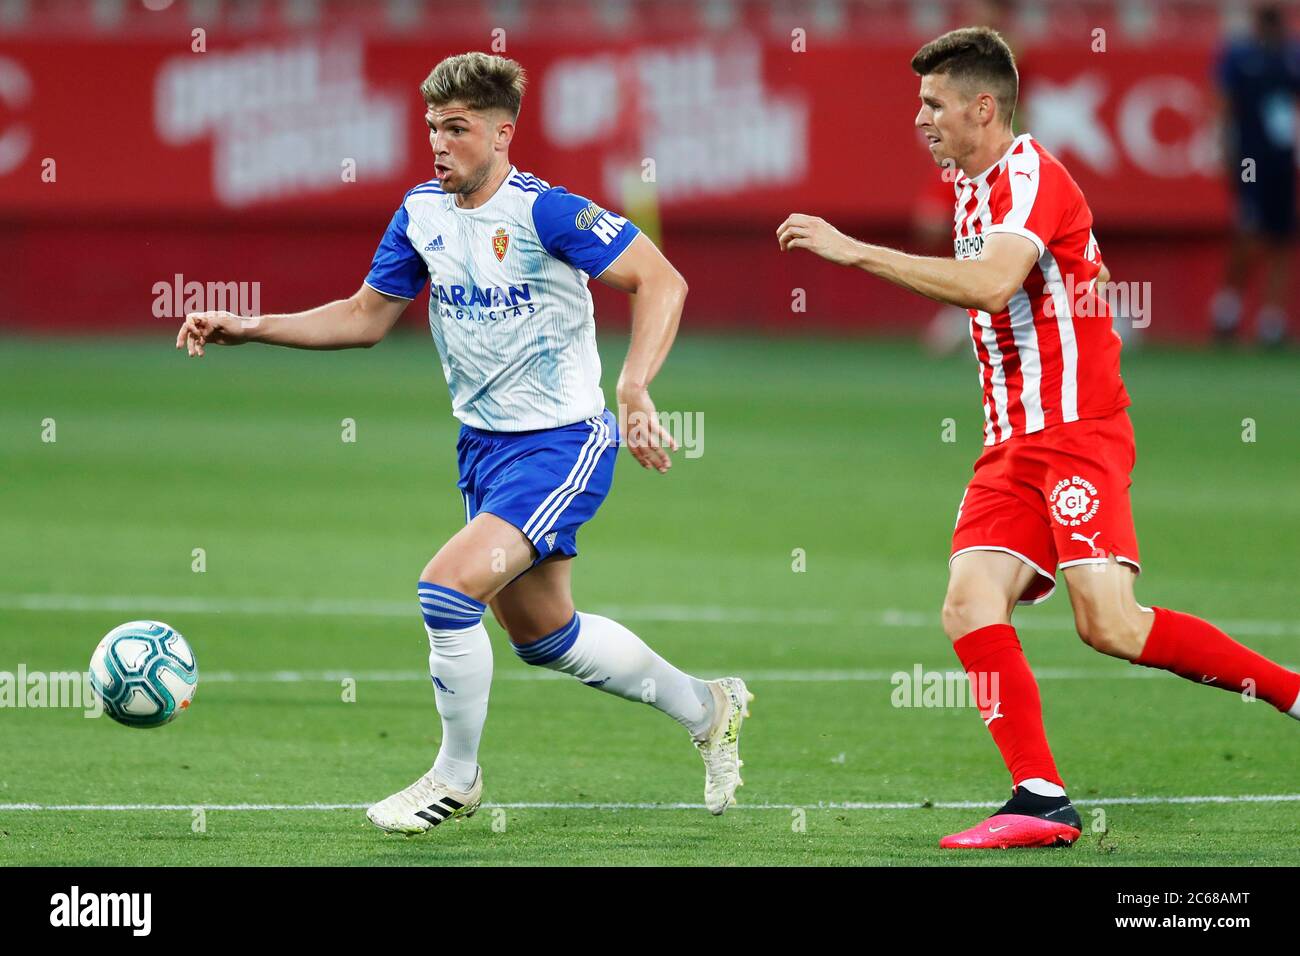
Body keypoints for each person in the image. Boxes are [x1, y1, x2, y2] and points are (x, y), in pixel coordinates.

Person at [176, 52, 752, 835]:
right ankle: (707, 705)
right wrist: (254, 326)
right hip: (484, 449)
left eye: (457, 129)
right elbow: (366, 316)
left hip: (562, 443)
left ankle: (456, 777)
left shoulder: (547, 213)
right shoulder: (422, 212)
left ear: (502, 134)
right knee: (546, 635)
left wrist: (633, 387)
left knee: (446, 590)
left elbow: (664, 281)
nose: (439, 144)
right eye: (432, 130)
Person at [777, 27, 1299, 849]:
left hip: (1077, 432)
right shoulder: (970, 184)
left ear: (983, 107)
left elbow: (989, 287)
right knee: (968, 603)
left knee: (1111, 626)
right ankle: (1040, 798)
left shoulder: (1029, 178)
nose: (921, 119)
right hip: (1010, 444)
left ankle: (1292, 692)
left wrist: (853, 251)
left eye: (933, 104)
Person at [1210, 3, 1300, 348]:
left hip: (1281, 160)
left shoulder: (1290, 56)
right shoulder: (1240, 57)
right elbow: (1222, 100)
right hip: (1250, 161)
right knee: (1248, 231)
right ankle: (1227, 310)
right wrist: (1222, 145)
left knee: (1281, 236)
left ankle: (1271, 322)